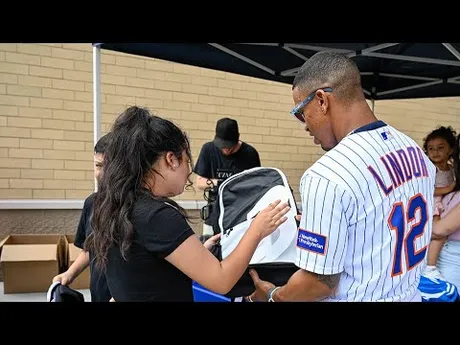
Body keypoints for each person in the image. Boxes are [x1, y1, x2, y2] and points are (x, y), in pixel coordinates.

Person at [246, 51, 436, 302]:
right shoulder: (417, 153)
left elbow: (319, 284)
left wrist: (272, 295)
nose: (304, 125)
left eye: (301, 113)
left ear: (322, 100)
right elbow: (379, 227)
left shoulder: (326, 175)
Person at [84, 106, 290, 302]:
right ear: (171, 159)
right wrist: (257, 229)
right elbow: (221, 280)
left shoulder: (114, 204)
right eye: (187, 161)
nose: (189, 171)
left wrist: (197, 251)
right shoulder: (157, 215)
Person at [52, 133, 112, 302]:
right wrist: (70, 273)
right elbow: (89, 248)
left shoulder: (137, 209)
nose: (103, 173)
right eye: (98, 166)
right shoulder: (91, 203)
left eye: (110, 166)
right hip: (99, 294)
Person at [193, 117, 261, 237]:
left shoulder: (250, 154)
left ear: (237, 138)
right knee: (210, 249)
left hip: (240, 215)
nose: (225, 150)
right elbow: (199, 182)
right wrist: (221, 183)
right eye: (222, 146)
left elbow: (255, 186)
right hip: (213, 213)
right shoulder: (208, 150)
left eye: (229, 146)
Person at [422, 126, 456, 280]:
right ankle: (430, 266)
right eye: (431, 148)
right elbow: (426, 189)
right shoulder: (429, 169)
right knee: (438, 234)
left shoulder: (452, 169)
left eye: (440, 148)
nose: (435, 152)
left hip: (446, 204)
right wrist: (448, 189)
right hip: (434, 203)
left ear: (450, 150)